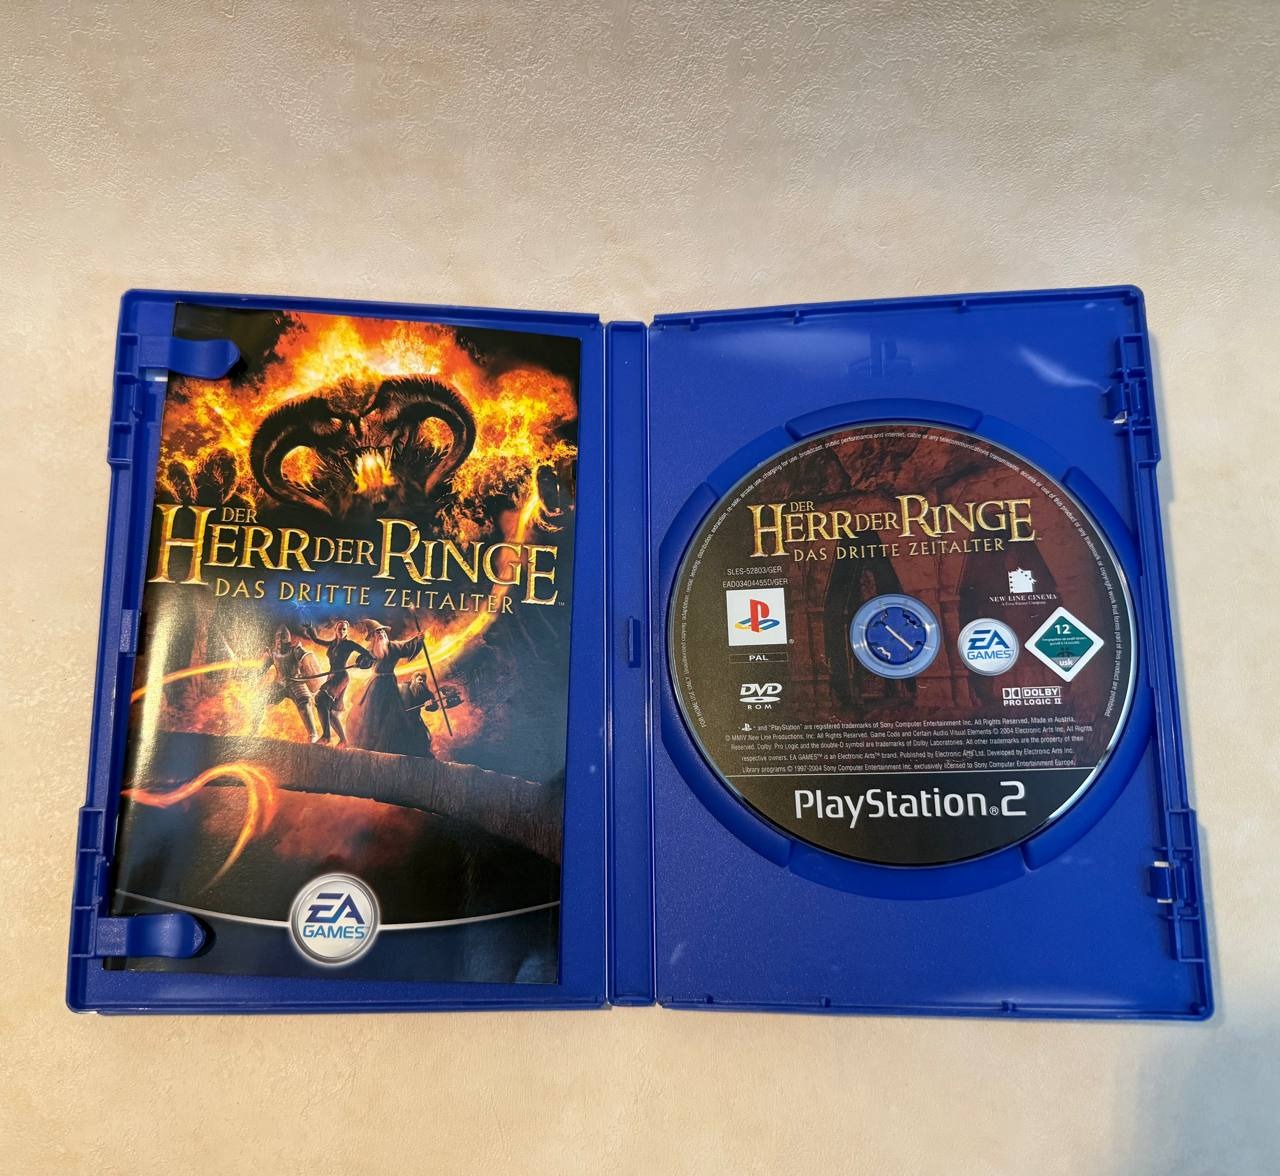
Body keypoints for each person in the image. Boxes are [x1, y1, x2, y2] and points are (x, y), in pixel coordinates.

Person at [350, 623, 433, 757]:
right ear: (373, 636)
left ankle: (391, 745)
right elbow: (363, 662)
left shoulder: (393, 647)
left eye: (382, 631)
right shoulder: (371, 651)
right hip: (375, 686)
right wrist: (361, 662)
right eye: (378, 632)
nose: (381, 634)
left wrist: (418, 640)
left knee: (393, 713)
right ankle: (369, 744)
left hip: (389, 684)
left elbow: (407, 646)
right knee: (372, 714)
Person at [300, 619, 370, 746]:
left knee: (320, 698)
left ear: (346, 631)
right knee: (331, 711)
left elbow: (369, 655)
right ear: (335, 630)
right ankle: (343, 740)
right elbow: (316, 640)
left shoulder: (349, 644)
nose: (341, 631)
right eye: (339, 629)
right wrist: (310, 629)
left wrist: (363, 662)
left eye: (344, 629)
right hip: (332, 677)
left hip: (341, 677)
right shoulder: (332, 644)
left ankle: (326, 737)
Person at [256, 625, 322, 741]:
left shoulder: (296, 650)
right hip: (279, 684)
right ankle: (253, 730)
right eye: (278, 637)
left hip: (296, 683)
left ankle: (313, 734)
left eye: (283, 637)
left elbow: (308, 663)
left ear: (288, 638)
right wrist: (254, 675)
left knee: (305, 704)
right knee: (261, 699)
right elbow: (262, 669)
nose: (280, 640)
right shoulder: (272, 653)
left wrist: (307, 676)